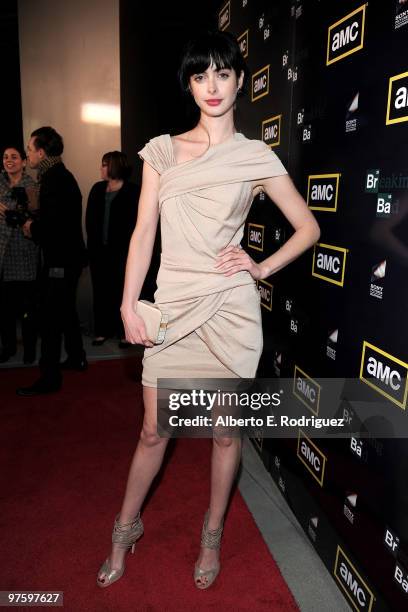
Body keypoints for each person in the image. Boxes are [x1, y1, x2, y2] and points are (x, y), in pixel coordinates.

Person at [97, 30, 320, 590]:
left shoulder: (254, 156)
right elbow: (143, 231)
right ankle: (125, 528)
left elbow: (309, 228)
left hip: (230, 310)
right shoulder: (163, 151)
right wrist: (128, 304)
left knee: (224, 435)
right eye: (201, 76)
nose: (212, 86)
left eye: (223, 73)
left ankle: (212, 532)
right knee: (153, 431)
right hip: (171, 308)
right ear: (189, 85)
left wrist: (261, 268)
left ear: (241, 80)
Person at [16, 127, 87, 396]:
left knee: (49, 319)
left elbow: (54, 228)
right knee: (66, 311)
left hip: (60, 260)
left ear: (41, 152)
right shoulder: (58, 175)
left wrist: (31, 227)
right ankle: (78, 357)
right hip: (68, 258)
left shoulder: (55, 179)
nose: (27, 155)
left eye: (30, 150)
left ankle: (49, 378)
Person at [86, 152, 139, 347]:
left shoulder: (133, 192)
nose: (101, 168)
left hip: (124, 254)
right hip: (99, 253)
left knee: (123, 292)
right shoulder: (97, 189)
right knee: (101, 292)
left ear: (115, 167)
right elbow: (89, 222)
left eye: (104, 165)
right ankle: (102, 331)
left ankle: (125, 333)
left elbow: (138, 226)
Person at [0, 145, 39, 363]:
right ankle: (8, 347)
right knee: (4, 309)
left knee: (27, 310)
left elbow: (36, 215)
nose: (9, 160)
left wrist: (21, 212)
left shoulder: (31, 184)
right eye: (5, 157)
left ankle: (30, 350)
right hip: (2, 255)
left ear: (24, 162)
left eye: (14, 157)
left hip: (24, 253)